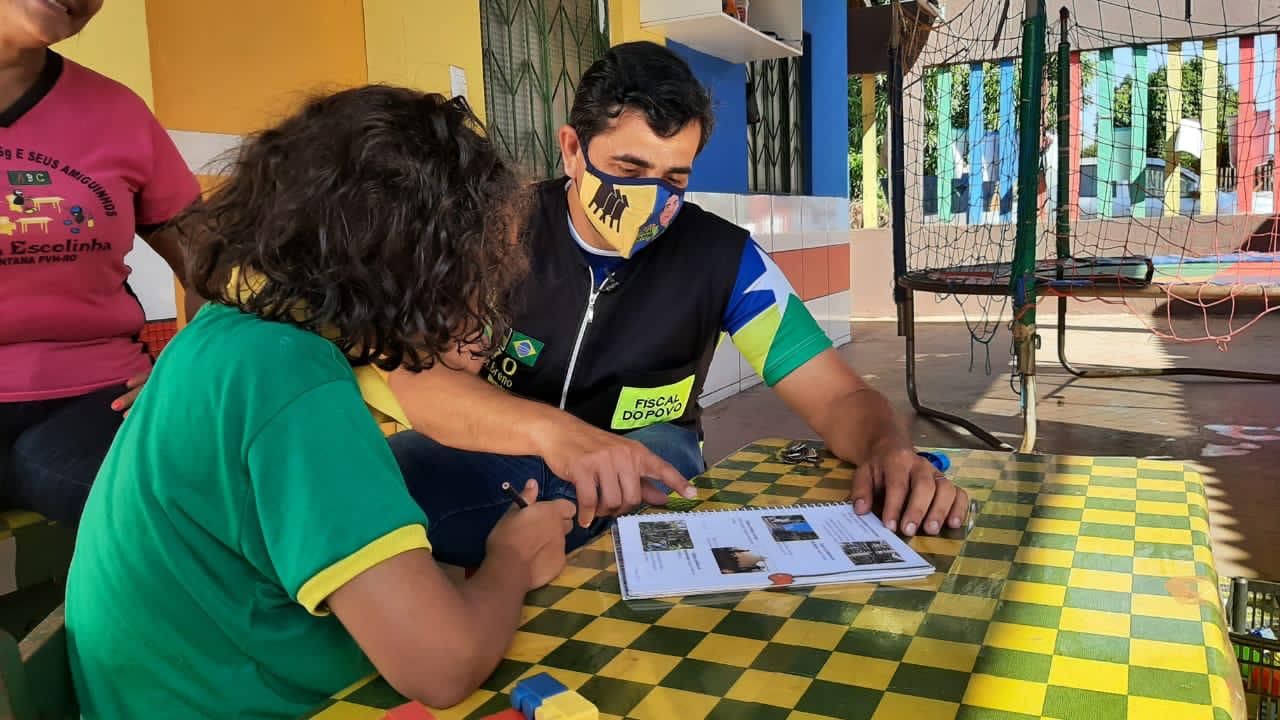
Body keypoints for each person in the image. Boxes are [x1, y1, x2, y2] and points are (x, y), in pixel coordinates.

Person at [66, 87, 574, 718]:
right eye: (480, 266)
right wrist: (512, 559)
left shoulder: (231, 332)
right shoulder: (293, 383)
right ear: (427, 266)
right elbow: (444, 668)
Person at [387, 41, 969, 569]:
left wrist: (887, 447)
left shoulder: (725, 260)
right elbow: (415, 381)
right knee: (383, 468)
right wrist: (558, 436)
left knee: (663, 449)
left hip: (643, 481)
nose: (651, 199)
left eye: (673, 178)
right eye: (629, 170)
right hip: (500, 460)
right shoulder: (499, 232)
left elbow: (839, 394)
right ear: (571, 150)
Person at [0, 0, 203, 523]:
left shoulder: (118, 112)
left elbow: (211, 261)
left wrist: (189, 370)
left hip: (94, 401)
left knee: (193, 519)